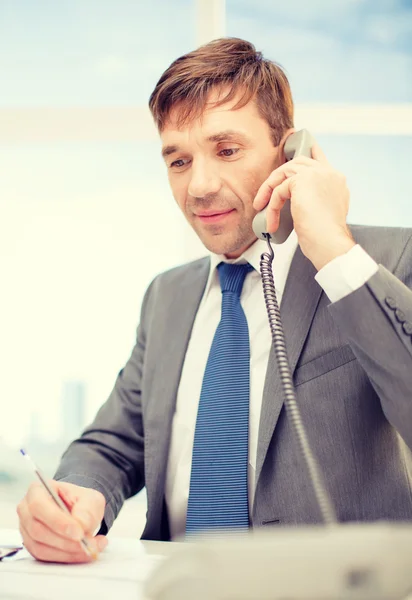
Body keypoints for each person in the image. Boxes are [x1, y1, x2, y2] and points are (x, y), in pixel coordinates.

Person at [17, 37, 412, 563]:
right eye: (179, 161)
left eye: (227, 150)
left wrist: (333, 252)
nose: (199, 186)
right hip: (173, 584)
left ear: (289, 152)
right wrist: (77, 495)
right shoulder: (167, 296)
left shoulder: (385, 260)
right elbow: (113, 443)